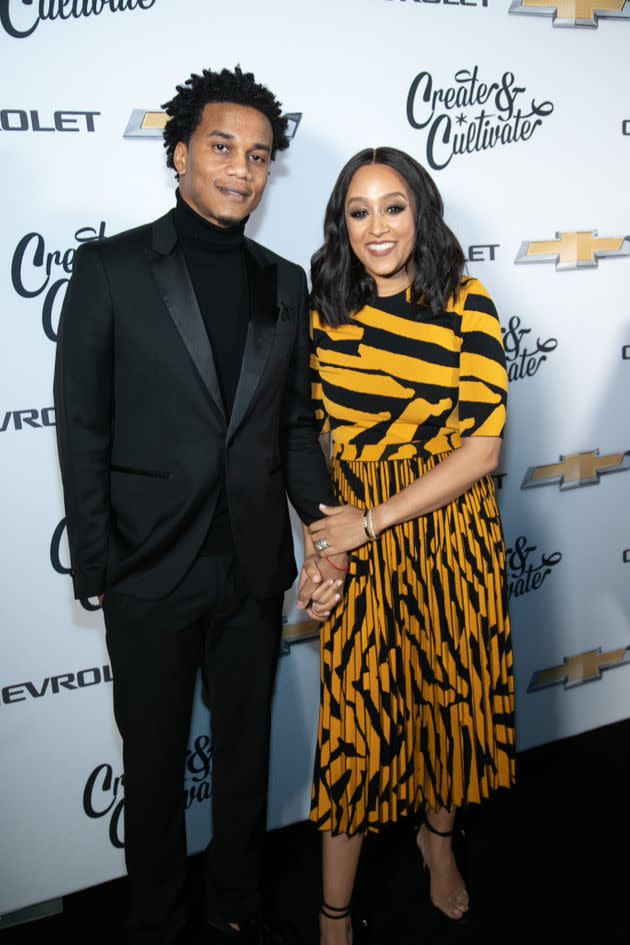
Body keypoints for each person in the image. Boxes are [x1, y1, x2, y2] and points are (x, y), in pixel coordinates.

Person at [53, 66, 345, 945]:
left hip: (252, 568)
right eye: (222, 148)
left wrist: (326, 532)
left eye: (258, 156)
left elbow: (295, 424)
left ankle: (236, 907)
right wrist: (99, 565)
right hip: (148, 570)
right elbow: (83, 426)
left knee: (245, 762)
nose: (241, 170)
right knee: (153, 766)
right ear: (180, 153)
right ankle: (157, 918)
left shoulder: (282, 280)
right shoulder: (109, 268)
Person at [304, 147, 516, 943]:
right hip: (362, 540)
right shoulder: (326, 308)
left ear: (421, 212)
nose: (378, 226)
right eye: (359, 211)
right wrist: (325, 546)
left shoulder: (467, 301)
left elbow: (482, 451)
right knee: (353, 730)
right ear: (342, 225)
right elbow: (318, 443)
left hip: (450, 537)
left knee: (451, 705)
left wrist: (373, 520)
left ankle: (437, 838)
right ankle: (332, 914)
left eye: (394, 206)